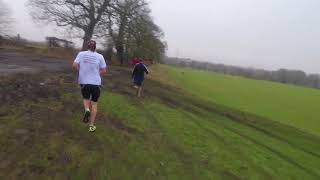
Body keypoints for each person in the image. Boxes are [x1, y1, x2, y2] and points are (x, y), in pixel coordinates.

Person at [72, 40, 107, 132]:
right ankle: (91, 126)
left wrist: (80, 70)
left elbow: (74, 65)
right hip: (96, 83)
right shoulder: (100, 56)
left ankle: (87, 109)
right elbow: (104, 70)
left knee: (86, 99)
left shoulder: (81, 54)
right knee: (94, 104)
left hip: (84, 82)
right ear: (95, 47)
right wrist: (97, 73)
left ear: (88, 47)